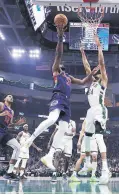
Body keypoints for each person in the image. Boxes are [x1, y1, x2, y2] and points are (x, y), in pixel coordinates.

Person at [23, 25, 99, 171]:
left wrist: (91, 74)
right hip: (57, 97)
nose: (61, 66)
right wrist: (60, 37)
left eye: (62, 66)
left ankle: (49, 155)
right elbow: (58, 54)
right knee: (52, 119)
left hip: (66, 103)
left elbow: (83, 82)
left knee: (63, 129)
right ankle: (30, 139)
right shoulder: (56, 72)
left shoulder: (68, 77)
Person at [80, 36, 111, 184]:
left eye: (98, 72)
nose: (96, 73)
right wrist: (82, 52)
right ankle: (87, 163)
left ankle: (105, 170)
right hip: (90, 111)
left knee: (99, 138)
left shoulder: (103, 81)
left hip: (99, 110)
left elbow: (101, 63)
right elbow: (87, 67)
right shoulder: (92, 82)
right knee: (87, 136)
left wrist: (99, 47)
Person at [0, 94, 26, 180]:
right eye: (9, 96)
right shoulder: (1, 105)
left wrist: (17, 124)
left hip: (5, 131)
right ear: (5, 99)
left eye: (12, 96)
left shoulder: (12, 111)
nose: (11, 96)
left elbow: (10, 125)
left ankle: (9, 173)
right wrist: (1, 114)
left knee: (18, 147)